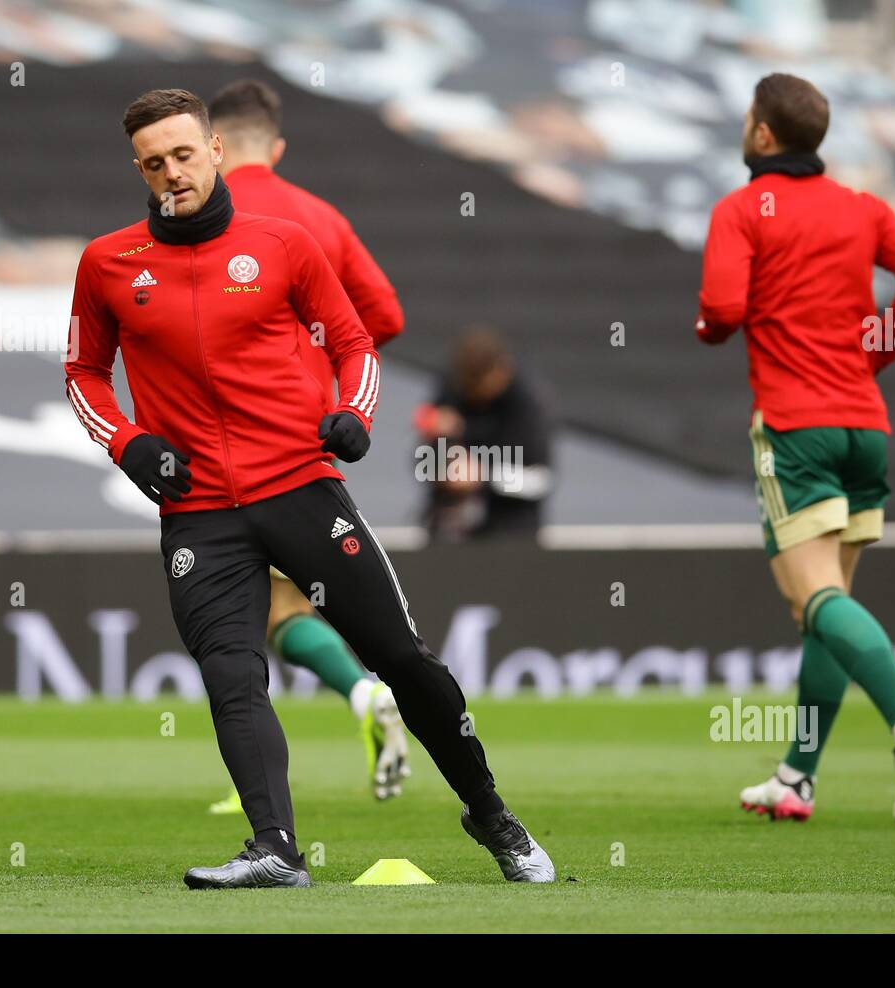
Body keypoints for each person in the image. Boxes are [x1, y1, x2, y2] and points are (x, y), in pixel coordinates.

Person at [64, 88, 553, 886]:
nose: (171, 174)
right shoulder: (108, 263)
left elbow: (357, 338)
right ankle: (274, 849)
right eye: (153, 164)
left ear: (217, 150)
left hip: (297, 486)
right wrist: (127, 442)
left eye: (184, 155)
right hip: (197, 509)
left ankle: (491, 813)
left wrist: (352, 415)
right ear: (139, 170)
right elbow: (83, 371)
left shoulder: (284, 243)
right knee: (231, 672)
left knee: (400, 656)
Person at [695, 73, 895, 823]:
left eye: (749, 118)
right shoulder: (861, 207)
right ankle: (797, 777)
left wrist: (712, 332)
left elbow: (719, 307)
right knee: (826, 609)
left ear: (764, 135)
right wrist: (875, 350)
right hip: (864, 427)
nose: (746, 127)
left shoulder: (743, 209)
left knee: (813, 597)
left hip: (795, 426)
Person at [202, 77, 409, 804]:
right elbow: (384, 316)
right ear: (278, 147)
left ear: (211, 147)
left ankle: (340, 706)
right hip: (307, 447)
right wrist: (320, 352)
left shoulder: (195, 218)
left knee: (234, 621)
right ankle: (360, 698)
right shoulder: (319, 216)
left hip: (217, 456)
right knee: (278, 611)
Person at [414, 327, 554, 542]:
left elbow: (540, 481)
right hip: (448, 534)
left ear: (502, 370)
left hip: (509, 536)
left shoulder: (528, 405)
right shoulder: (450, 392)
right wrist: (441, 461)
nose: (475, 394)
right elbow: (421, 465)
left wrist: (482, 477)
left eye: (481, 385)